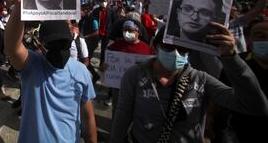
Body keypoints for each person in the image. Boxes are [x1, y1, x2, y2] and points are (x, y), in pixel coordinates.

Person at [110, 25, 268, 143]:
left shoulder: (201, 79)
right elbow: (123, 116)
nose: (176, 53)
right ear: (155, 47)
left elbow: (256, 107)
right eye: (169, 46)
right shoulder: (135, 75)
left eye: (182, 49)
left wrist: (231, 59)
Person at [4, 0, 97, 143]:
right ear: (41, 46)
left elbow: (88, 118)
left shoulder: (81, 72)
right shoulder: (32, 66)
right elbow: (12, 47)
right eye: (54, 45)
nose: (60, 51)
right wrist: (19, 7)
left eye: (64, 44)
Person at [228, 19, 268, 142]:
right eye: (259, 36)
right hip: (242, 132)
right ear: (248, 39)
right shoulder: (236, 63)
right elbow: (221, 92)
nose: (265, 40)